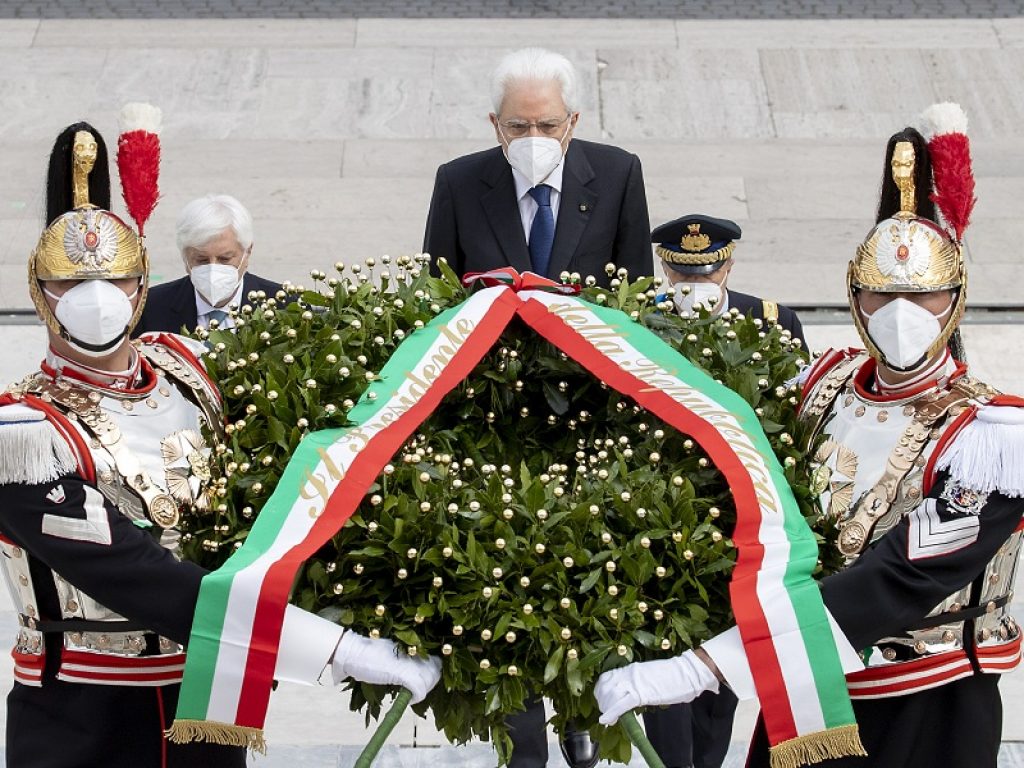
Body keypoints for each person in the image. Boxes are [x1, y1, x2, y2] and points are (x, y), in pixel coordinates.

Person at [0, 119, 441, 767]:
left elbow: (288, 474)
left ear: (143, 284)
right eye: (70, 285)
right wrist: (333, 648)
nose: (97, 300)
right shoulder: (25, 434)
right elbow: (141, 577)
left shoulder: (186, 368)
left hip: (206, 703)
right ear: (41, 295)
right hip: (86, 716)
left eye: (118, 281)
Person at [595, 110, 1023, 767]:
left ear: (956, 298)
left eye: (927, 297)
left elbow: (897, 578)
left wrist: (705, 666)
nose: (903, 316)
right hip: (802, 691)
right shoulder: (821, 387)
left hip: (927, 704)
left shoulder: (992, 440)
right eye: (882, 297)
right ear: (855, 296)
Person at [423, 47, 652, 287]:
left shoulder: (618, 175)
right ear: (496, 125)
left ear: (572, 122)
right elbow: (438, 290)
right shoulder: (458, 183)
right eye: (518, 126)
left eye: (548, 126)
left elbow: (637, 288)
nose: (534, 138)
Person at [133, 193, 282, 335]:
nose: (213, 269)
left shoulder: (283, 306)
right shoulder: (150, 308)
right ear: (185, 256)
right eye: (201, 260)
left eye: (225, 259)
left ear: (247, 252)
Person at [654, 213, 806, 348]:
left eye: (708, 274)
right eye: (684, 274)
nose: (696, 282)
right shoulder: (645, 319)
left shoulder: (774, 322)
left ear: (728, 266)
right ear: (665, 269)